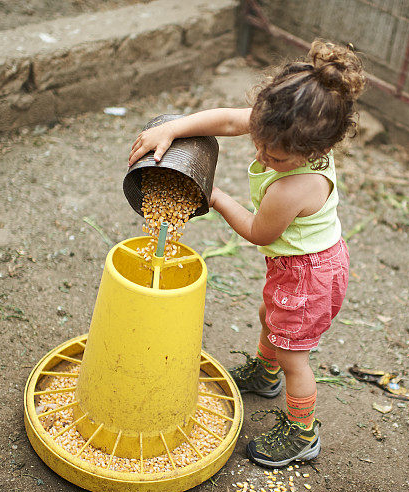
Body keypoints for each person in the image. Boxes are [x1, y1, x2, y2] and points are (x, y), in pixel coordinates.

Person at [128, 39, 366, 468]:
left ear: (314, 152)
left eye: (272, 155)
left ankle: (303, 433)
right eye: (260, 141)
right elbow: (227, 120)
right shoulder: (283, 128)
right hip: (295, 266)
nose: (260, 154)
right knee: (269, 317)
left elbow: (258, 232)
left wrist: (215, 196)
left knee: (295, 353)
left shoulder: (294, 187)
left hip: (308, 273)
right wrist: (174, 128)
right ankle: (265, 374)